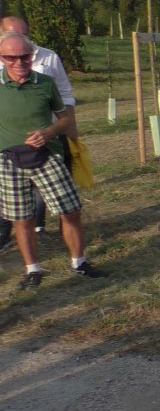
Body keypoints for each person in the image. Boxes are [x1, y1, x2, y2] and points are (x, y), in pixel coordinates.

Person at [0, 31, 104, 289]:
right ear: (2, 58)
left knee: (71, 211)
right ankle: (32, 270)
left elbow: (66, 119)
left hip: (47, 156)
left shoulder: (45, 83)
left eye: (24, 57)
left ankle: (79, 262)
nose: (19, 63)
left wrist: (48, 132)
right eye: (11, 58)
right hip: (8, 161)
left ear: (31, 56)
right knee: (22, 219)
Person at [0, 16, 78, 245]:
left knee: (53, 189)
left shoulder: (49, 56)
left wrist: (71, 127)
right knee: (9, 192)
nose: (22, 40)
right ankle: (4, 233)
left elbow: (65, 93)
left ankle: (43, 229)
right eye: (15, 34)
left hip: (49, 135)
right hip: (8, 140)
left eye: (25, 34)